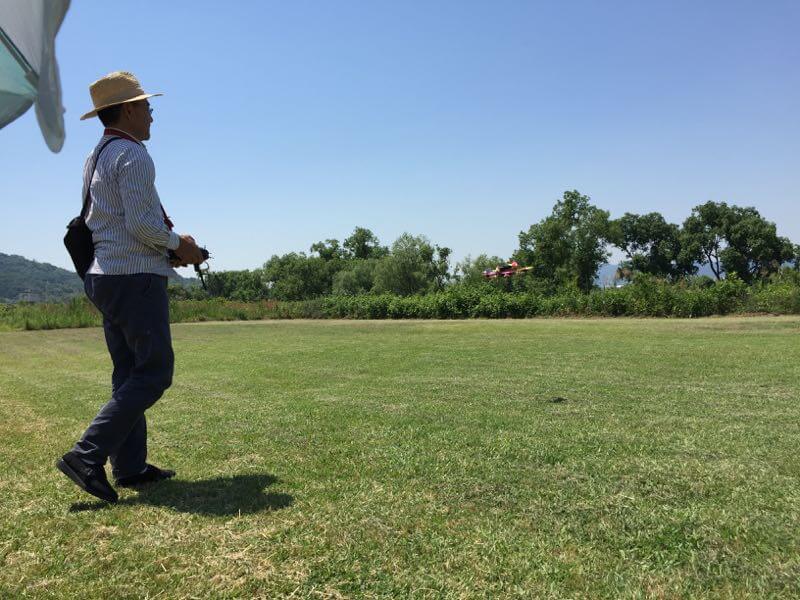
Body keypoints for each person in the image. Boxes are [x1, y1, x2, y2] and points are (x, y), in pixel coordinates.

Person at [56, 71, 205, 503]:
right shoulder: (134, 155)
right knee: (154, 373)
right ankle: (86, 456)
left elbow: (116, 223)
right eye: (146, 107)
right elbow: (142, 225)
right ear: (128, 110)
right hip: (133, 277)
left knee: (128, 375)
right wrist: (182, 246)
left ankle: (131, 467)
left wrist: (169, 248)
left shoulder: (96, 155)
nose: (151, 115)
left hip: (104, 275)